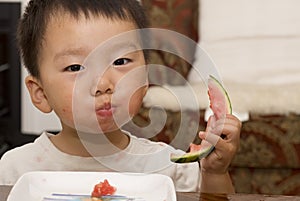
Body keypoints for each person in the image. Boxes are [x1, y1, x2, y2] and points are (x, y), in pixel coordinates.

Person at [0, 0, 241, 194]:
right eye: (75, 67)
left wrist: (215, 174)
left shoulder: (170, 167)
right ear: (40, 93)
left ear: (145, 79)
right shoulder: (14, 170)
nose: (103, 84)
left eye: (120, 61)